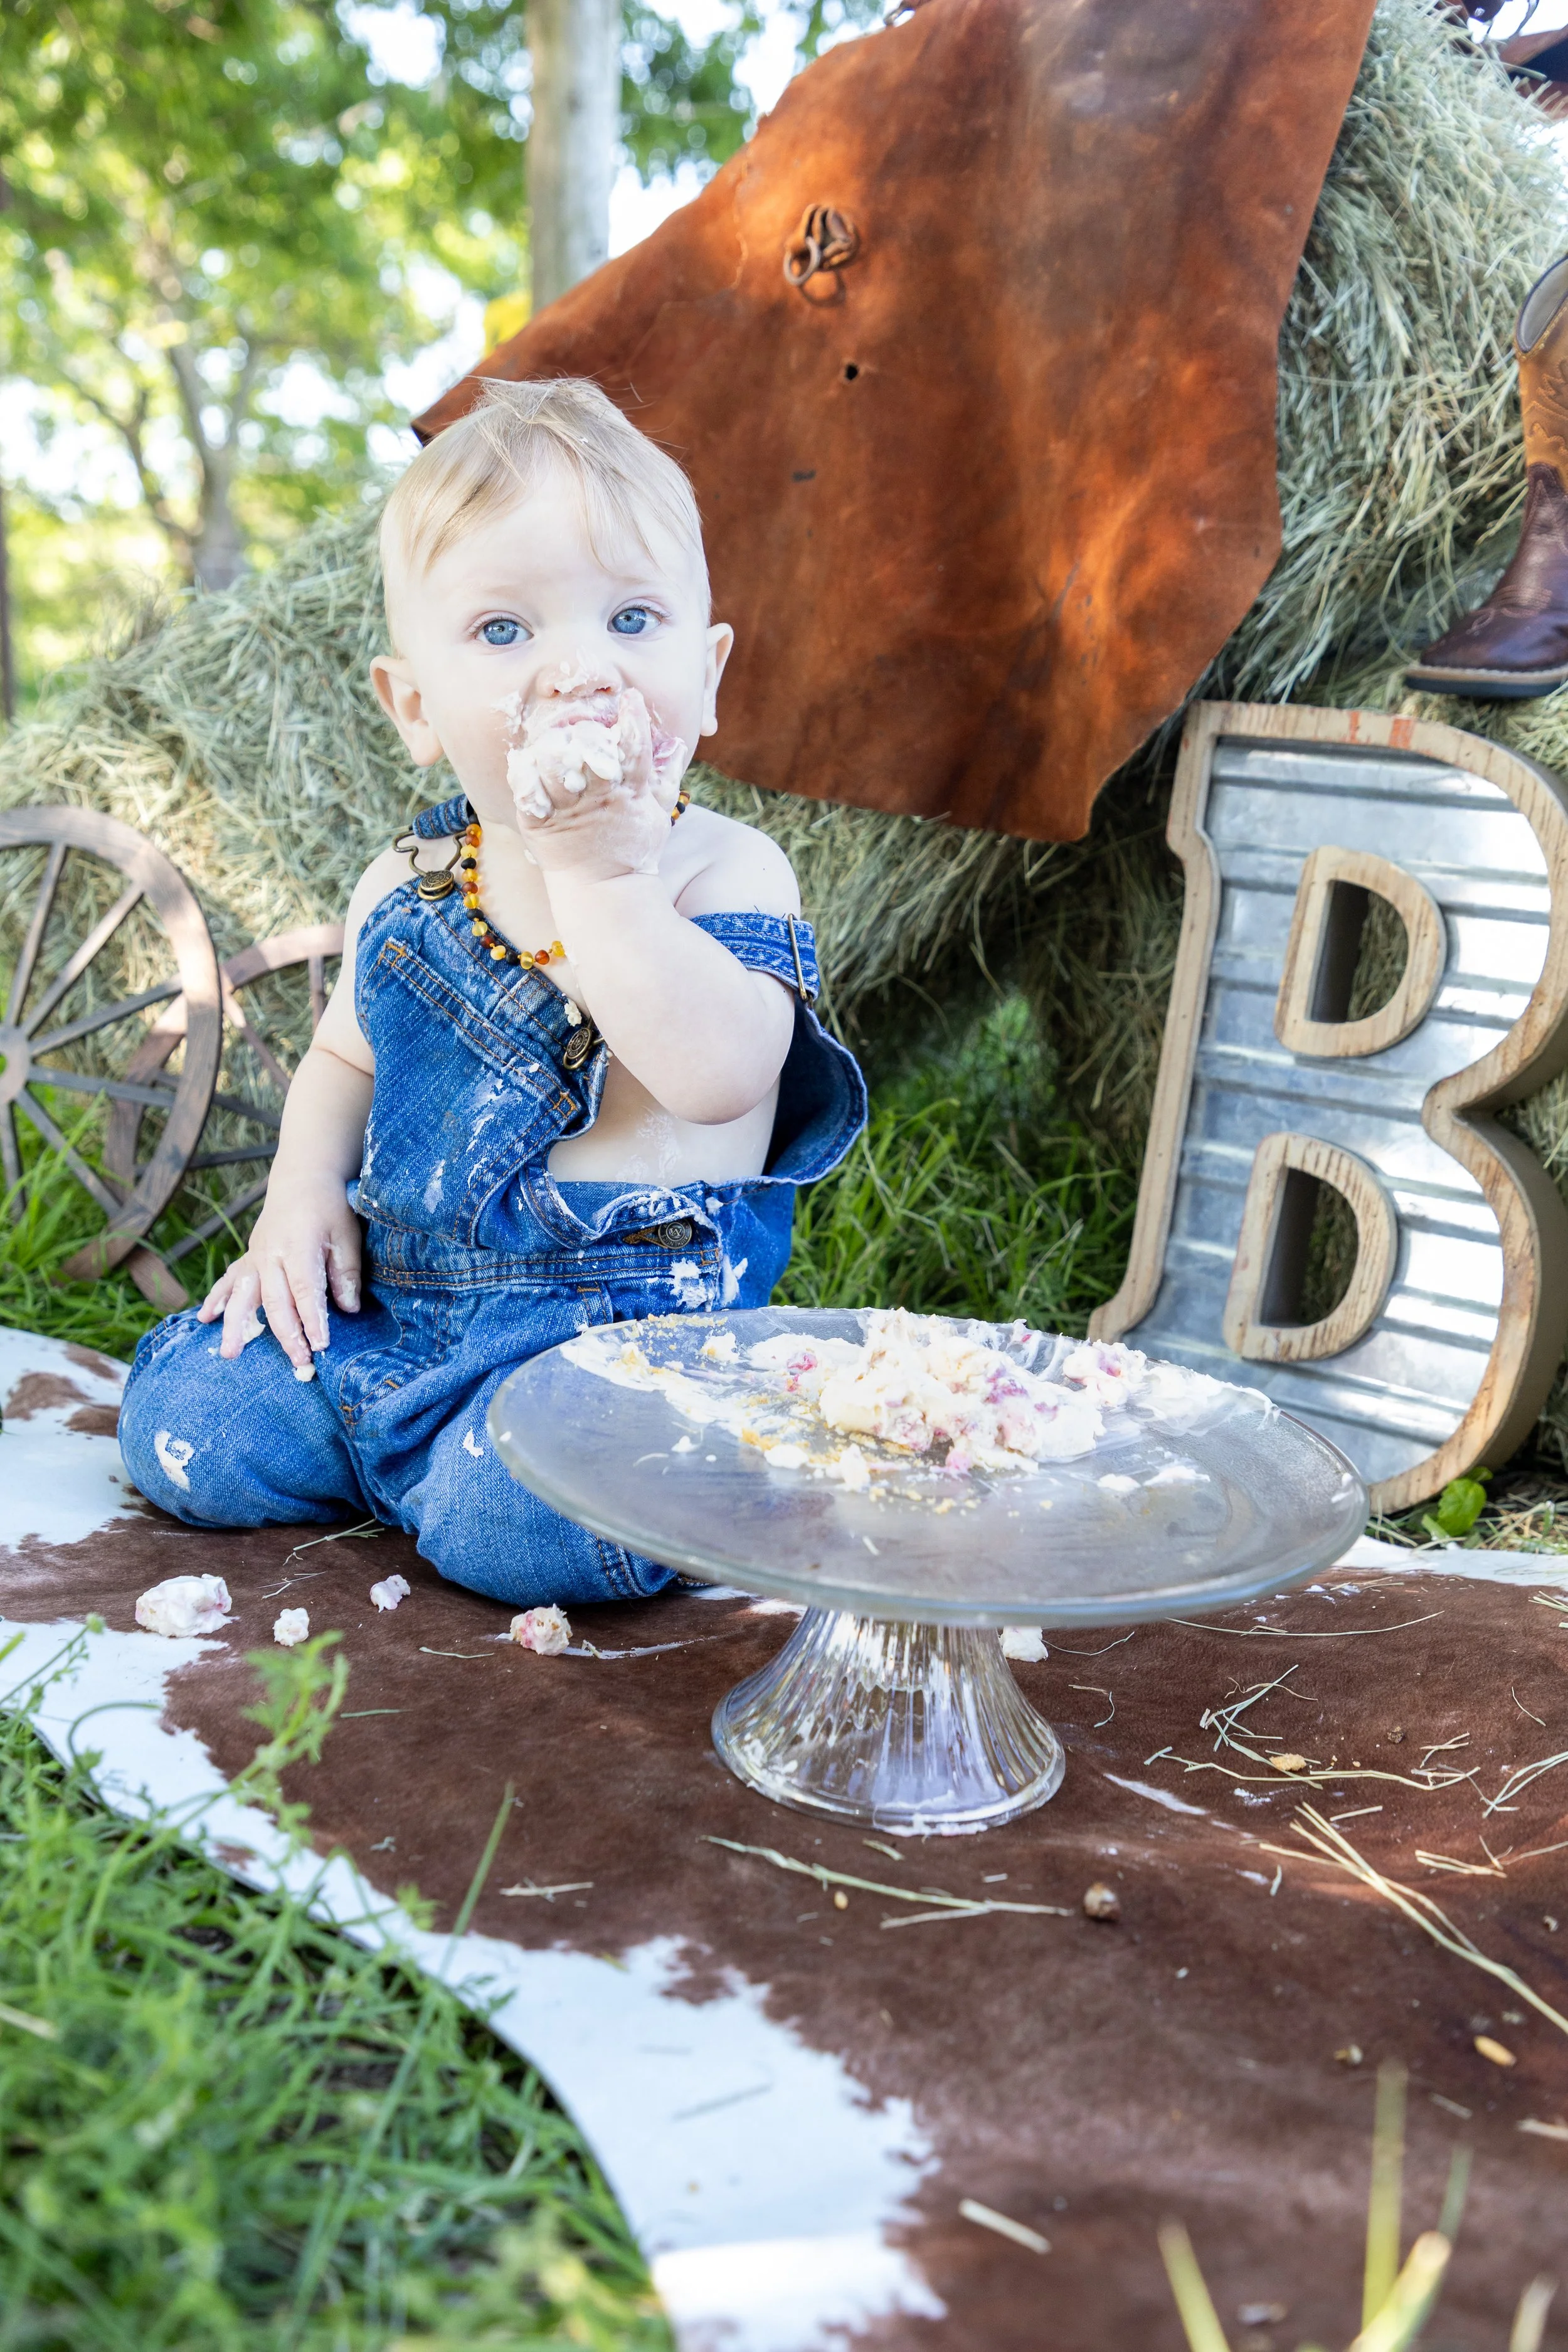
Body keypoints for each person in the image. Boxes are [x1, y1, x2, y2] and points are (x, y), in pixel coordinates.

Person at [119, 379, 866, 1605]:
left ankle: (490, 1488)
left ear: (709, 672)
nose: (577, 669)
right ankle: (406, 1457)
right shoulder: (404, 884)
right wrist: (301, 1197)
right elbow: (343, 1066)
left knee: (524, 1526)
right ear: (413, 707)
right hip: (398, 1301)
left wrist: (603, 883)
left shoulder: (721, 870)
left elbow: (723, 1073)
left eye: (632, 618)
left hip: (615, 1340)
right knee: (185, 1418)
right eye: (505, 632)